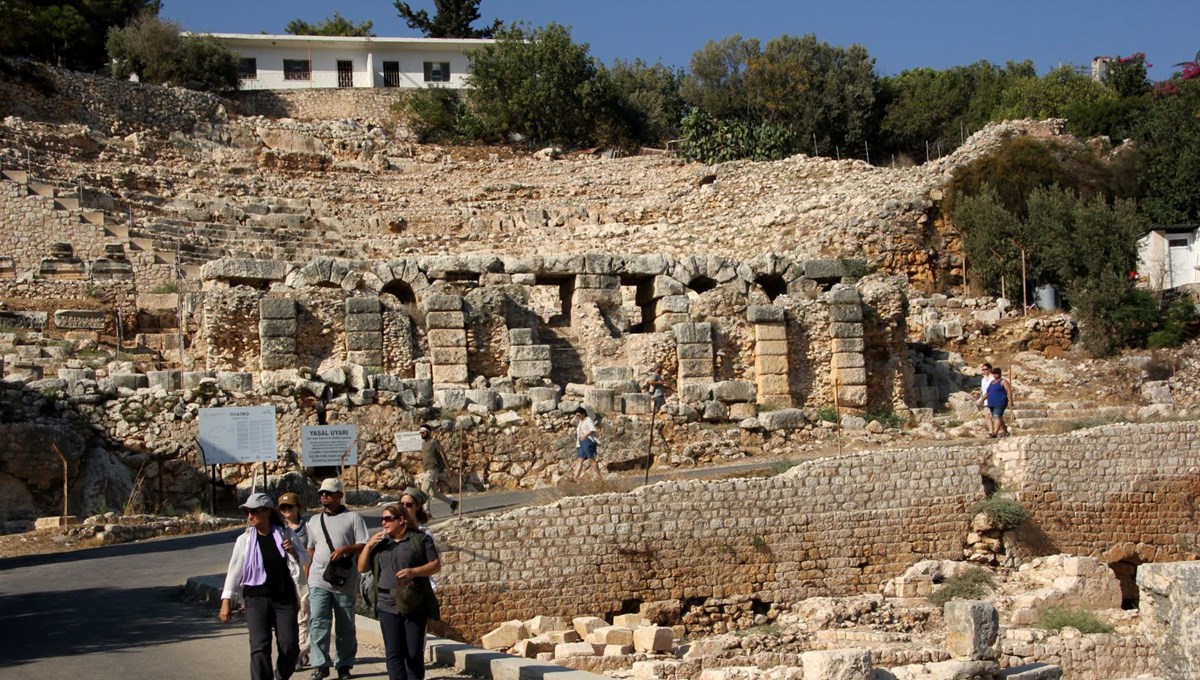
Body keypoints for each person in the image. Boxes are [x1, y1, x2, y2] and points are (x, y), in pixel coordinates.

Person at [220, 492, 306, 680]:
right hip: (255, 599)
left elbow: (304, 558)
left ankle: (281, 676)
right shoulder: (244, 541)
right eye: (247, 512)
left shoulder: (285, 534)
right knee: (259, 648)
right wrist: (226, 600)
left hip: (284, 598)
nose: (250, 516)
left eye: (254, 511)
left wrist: (292, 550)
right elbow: (234, 570)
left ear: (267, 512)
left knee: (290, 646)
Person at [358, 503, 440, 680]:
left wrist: (413, 572)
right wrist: (368, 546)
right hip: (386, 603)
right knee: (393, 653)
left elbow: (435, 565)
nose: (384, 523)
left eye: (388, 519)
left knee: (413, 652)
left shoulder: (420, 539)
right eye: (382, 519)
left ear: (401, 520)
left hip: (413, 602)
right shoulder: (381, 543)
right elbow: (362, 568)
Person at [306, 478, 370, 680]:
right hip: (319, 580)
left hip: (343, 580)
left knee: (345, 624)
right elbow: (311, 548)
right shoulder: (314, 521)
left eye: (329, 493)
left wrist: (345, 549)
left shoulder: (354, 518)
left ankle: (344, 665)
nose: (324, 496)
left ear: (339, 495)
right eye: (322, 493)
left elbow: (364, 545)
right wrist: (308, 574)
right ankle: (320, 664)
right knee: (318, 621)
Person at [277, 491, 312, 669]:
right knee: (286, 619)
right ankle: (293, 651)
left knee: (302, 617)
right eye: (283, 507)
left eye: (289, 506)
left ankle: (300, 653)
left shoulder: (307, 528)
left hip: (304, 578)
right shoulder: (277, 530)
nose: (286, 510)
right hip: (284, 580)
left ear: (298, 507)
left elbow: (309, 554)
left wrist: (293, 551)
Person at [416, 424, 458, 514]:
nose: (421, 434)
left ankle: (427, 513)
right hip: (427, 470)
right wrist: (412, 458)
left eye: (423, 433)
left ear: (428, 432)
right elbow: (423, 457)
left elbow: (443, 454)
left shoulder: (433, 442)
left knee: (424, 491)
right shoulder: (424, 443)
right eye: (420, 433)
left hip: (432, 470)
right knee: (434, 493)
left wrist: (448, 469)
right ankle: (453, 503)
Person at [572, 407, 601, 481]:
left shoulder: (588, 420)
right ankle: (575, 477)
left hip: (587, 441)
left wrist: (585, 436)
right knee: (579, 460)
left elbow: (593, 429)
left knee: (591, 459)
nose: (578, 417)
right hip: (580, 443)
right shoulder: (580, 422)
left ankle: (599, 476)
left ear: (583, 414)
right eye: (577, 416)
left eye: (579, 415)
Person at [986, 367, 1014, 438]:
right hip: (992, 403)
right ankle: (1005, 431)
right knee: (997, 417)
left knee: (997, 416)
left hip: (1000, 402)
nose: (995, 375)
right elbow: (988, 392)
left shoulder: (1003, 381)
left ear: (1000, 374)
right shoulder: (992, 383)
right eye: (994, 373)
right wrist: (982, 399)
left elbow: (1009, 390)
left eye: (997, 373)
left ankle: (995, 433)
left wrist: (1010, 400)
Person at [975, 362, 995, 435]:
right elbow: (983, 390)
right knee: (987, 415)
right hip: (985, 400)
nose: (984, 371)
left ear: (990, 369)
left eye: (985, 369)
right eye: (983, 369)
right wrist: (981, 399)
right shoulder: (983, 379)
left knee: (994, 416)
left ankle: (1002, 429)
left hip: (993, 399)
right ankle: (991, 431)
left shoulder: (993, 378)